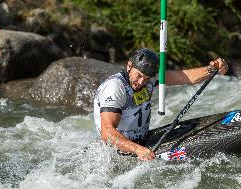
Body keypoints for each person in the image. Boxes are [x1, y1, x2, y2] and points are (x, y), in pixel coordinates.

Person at [93, 48, 228, 161]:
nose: (141, 82)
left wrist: (212, 69)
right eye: (138, 75)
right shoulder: (115, 88)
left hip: (143, 141)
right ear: (129, 66)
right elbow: (107, 132)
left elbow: (186, 77)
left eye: (146, 78)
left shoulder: (150, 79)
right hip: (118, 152)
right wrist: (138, 150)